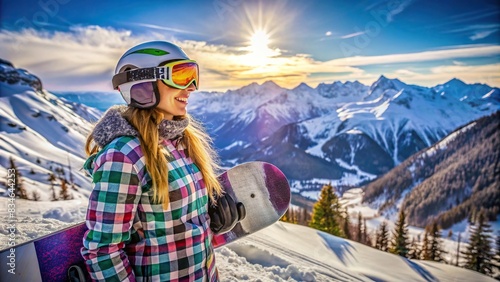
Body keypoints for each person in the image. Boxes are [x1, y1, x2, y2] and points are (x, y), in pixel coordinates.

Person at [81, 41, 245, 281]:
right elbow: (102, 253)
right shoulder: (124, 155)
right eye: (180, 75)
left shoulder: (182, 142)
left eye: (193, 75)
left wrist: (209, 216)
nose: (191, 87)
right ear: (142, 84)